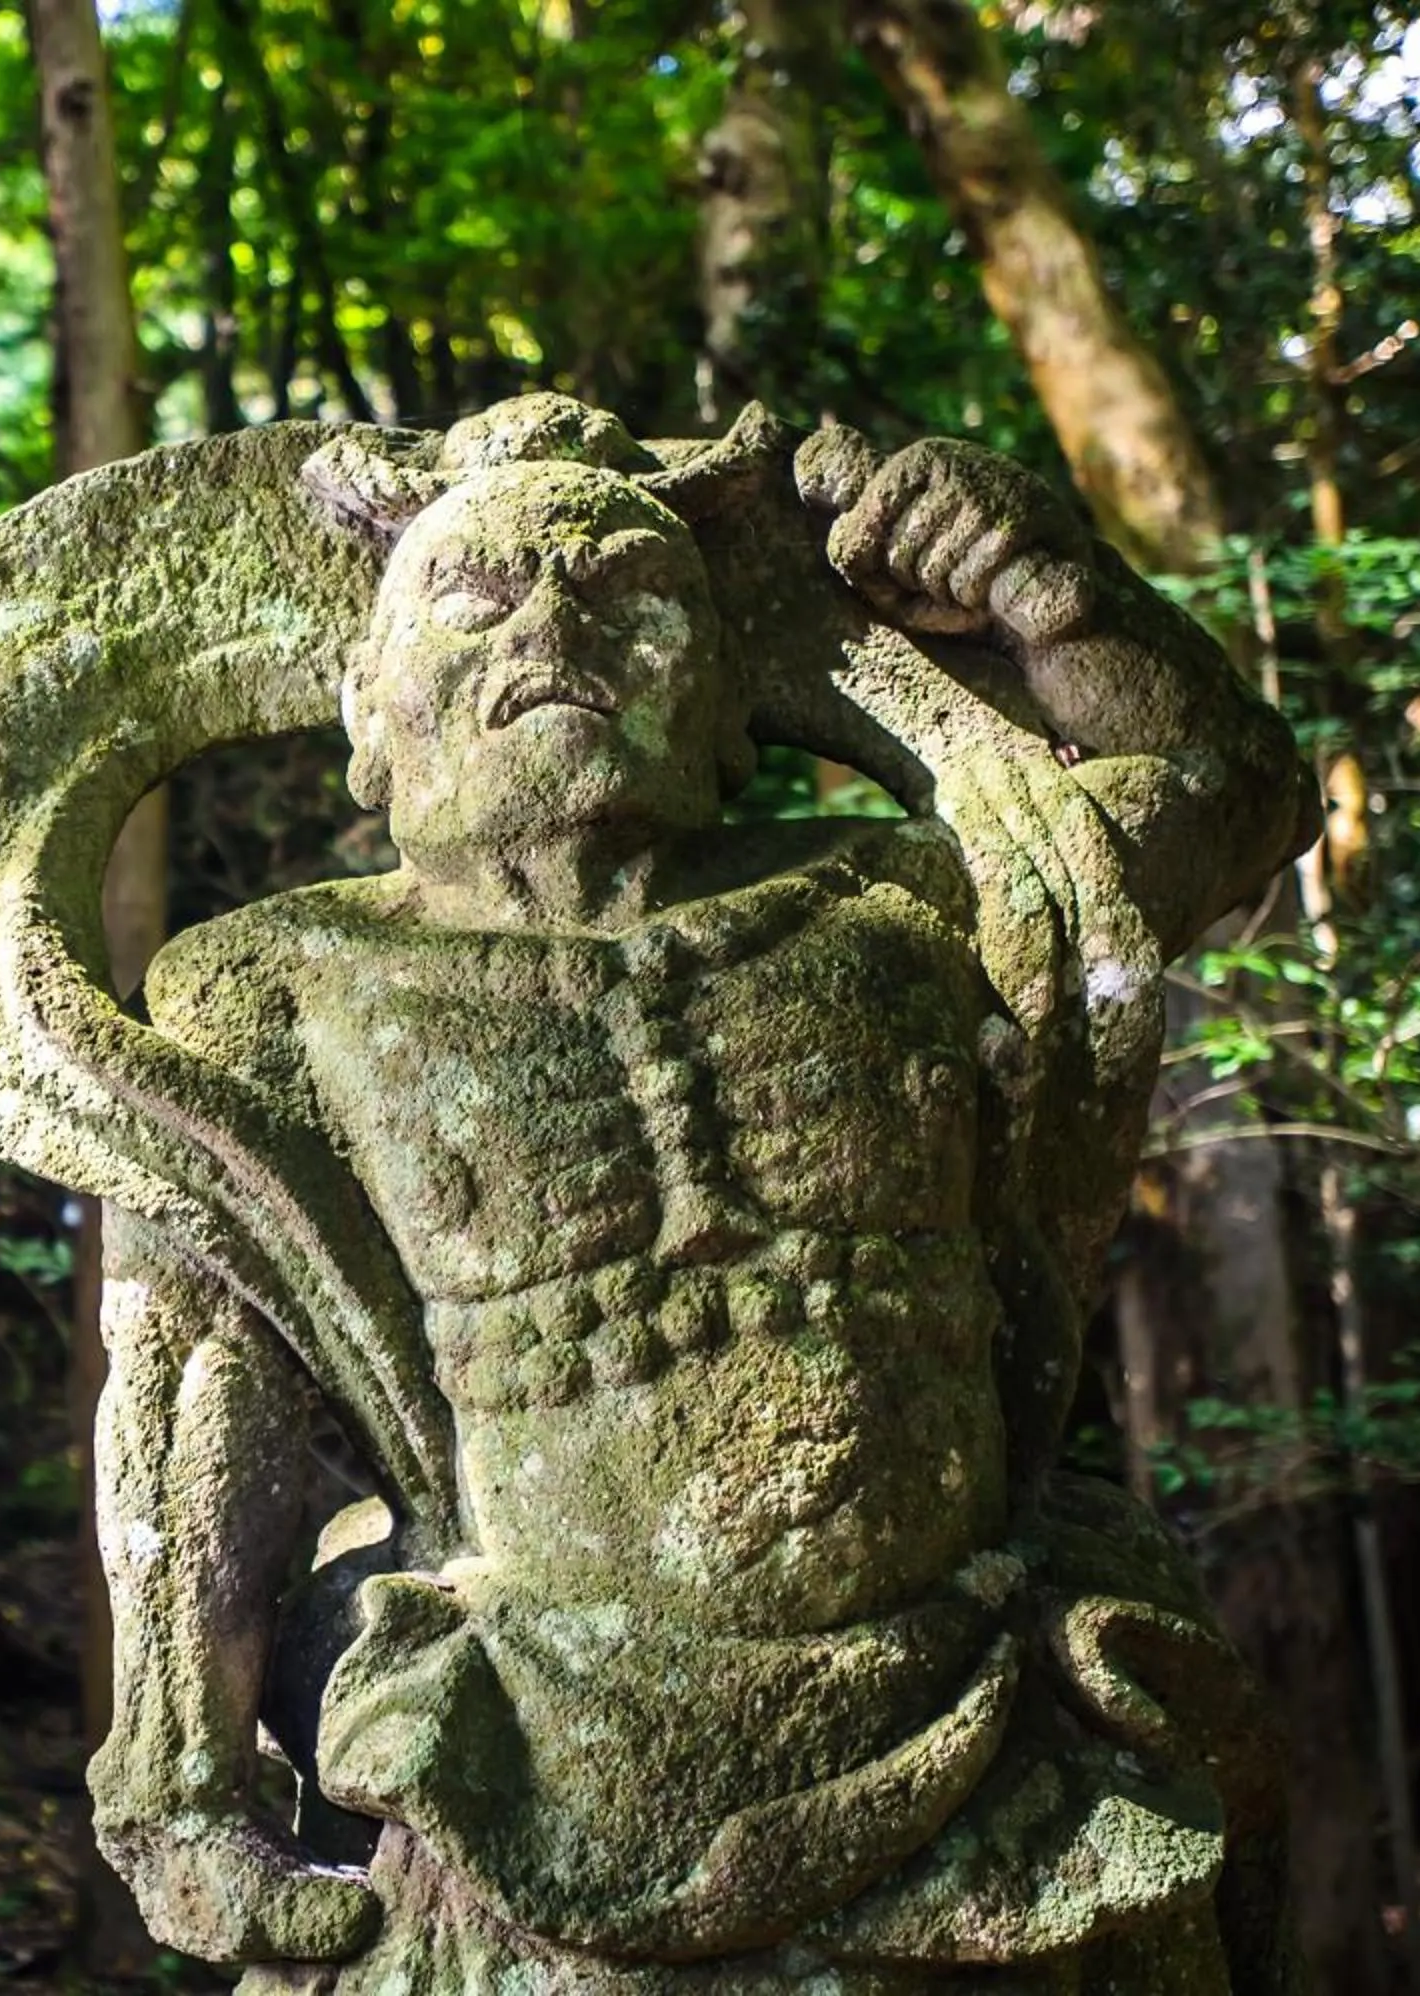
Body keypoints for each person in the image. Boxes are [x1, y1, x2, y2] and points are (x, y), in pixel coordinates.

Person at [75, 402, 1315, 1990]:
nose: (554, 627)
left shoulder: (900, 907)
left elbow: (1225, 795)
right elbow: (199, 1388)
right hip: (522, 1747)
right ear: (365, 715)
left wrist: (1054, 593)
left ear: (734, 700)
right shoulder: (272, 990)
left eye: (626, 590)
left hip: (983, 1716)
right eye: (478, 596)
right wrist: (180, 1772)